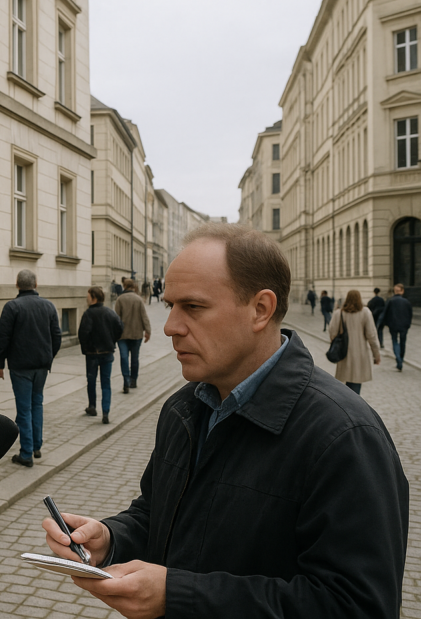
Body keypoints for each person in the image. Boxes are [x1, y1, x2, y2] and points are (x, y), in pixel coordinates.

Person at [41, 223, 407, 619]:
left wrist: (179, 595)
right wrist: (112, 537)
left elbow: (357, 606)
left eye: (193, 307)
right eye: (170, 306)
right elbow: (157, 514)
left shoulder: (344, 435)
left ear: (260, 309)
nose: (170, 327)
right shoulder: (185, 407)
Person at [0, 270, 62, 467]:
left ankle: (26, 453)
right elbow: (56, 336)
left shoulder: (12, 306)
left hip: (20, 365)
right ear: (36, 284)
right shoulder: (48, 306)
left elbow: (2, 337)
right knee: (37, 404)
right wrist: (49, 356)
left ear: (17, 285)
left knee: (24, 409)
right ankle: (36, 446)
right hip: (41, 365)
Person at [78, 287, 123, 424]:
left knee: (91, 381)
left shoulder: (88, 314)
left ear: (94, 297)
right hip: (107, 352)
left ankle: (92, 406)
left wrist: (86, 348)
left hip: (92, 353)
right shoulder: (110, 312)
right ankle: (106, 411)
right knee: (106, 383)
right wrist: (111, 341)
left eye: (88, 296)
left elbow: (83, 333)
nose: (87, 298)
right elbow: (119, 328)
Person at [330, 290, 381, 394]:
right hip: (360, 355)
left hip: (344, 354)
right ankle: (352, 408)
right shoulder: (365, 313)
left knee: (346, 385)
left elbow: (332, 333)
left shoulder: (338, 313)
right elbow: (372, 336)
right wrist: (376, 355)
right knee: (356, 384)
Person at [114, 278, 151, 394]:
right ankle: (133, 380)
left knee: (124, 358)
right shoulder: (138, 299)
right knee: (134, 358)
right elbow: (144, 316)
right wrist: (147, 331)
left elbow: (116, 319)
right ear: (133, 287)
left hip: (122, 335)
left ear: (124, 286)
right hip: (136, 334)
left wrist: (114, 333)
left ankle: (126, 380)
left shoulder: (120, 299)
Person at [385, 283, 414, 372]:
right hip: (404, 326)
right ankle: (401, 359)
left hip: (393, 325)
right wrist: (408, 324)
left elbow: (386, 313)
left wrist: (386, 323)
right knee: (402, 343)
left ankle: (398, 359)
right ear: (402, 291)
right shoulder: (407, 302)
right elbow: (410, 314)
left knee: (394, 341)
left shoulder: (390, 301)